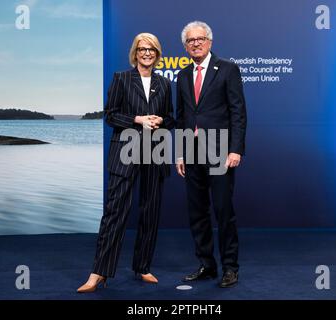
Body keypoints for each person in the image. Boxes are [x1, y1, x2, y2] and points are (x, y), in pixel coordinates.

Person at [77, 33, 175, 293]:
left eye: (152, 49)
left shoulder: (164, 84)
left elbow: (171, 117)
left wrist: (161, 121)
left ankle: (142, 267)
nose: (147, 53)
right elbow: (110, 116)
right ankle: (99, 272)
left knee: (150, 212)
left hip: (155, 152)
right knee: (114, 212)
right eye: (142, 49)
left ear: (157, 53)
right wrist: (138, 120)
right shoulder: (121, 78)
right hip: (126, 152)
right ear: (135, 53)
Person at [176, 21, 247, 288]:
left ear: (210, 42)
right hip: (191, 152)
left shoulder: (227, 68)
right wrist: (180, 153)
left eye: (200, 39)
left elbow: (238, 112)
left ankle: (230, 267)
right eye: (190, 40)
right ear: (185, 46)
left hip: (220, 151)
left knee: (223, 210)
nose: (195, 43)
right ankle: (207, 265)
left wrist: (235, 149)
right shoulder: (183, 76)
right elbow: (183, 116)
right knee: (197, 212)